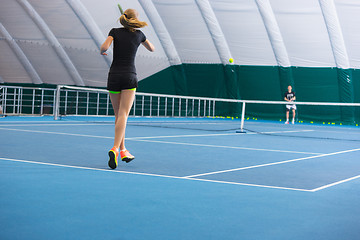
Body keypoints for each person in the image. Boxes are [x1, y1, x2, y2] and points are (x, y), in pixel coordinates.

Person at [100, 9, 155, 169]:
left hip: (114, 76)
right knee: (123, 115)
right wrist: (142, 38)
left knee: (118, 116)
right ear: (135, 19)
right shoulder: (139, 35)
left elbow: (104, 47)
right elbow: (152, 49)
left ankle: (123, 150)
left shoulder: (114, 32)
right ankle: (115, 148)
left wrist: (103, 51)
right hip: (129, 76)